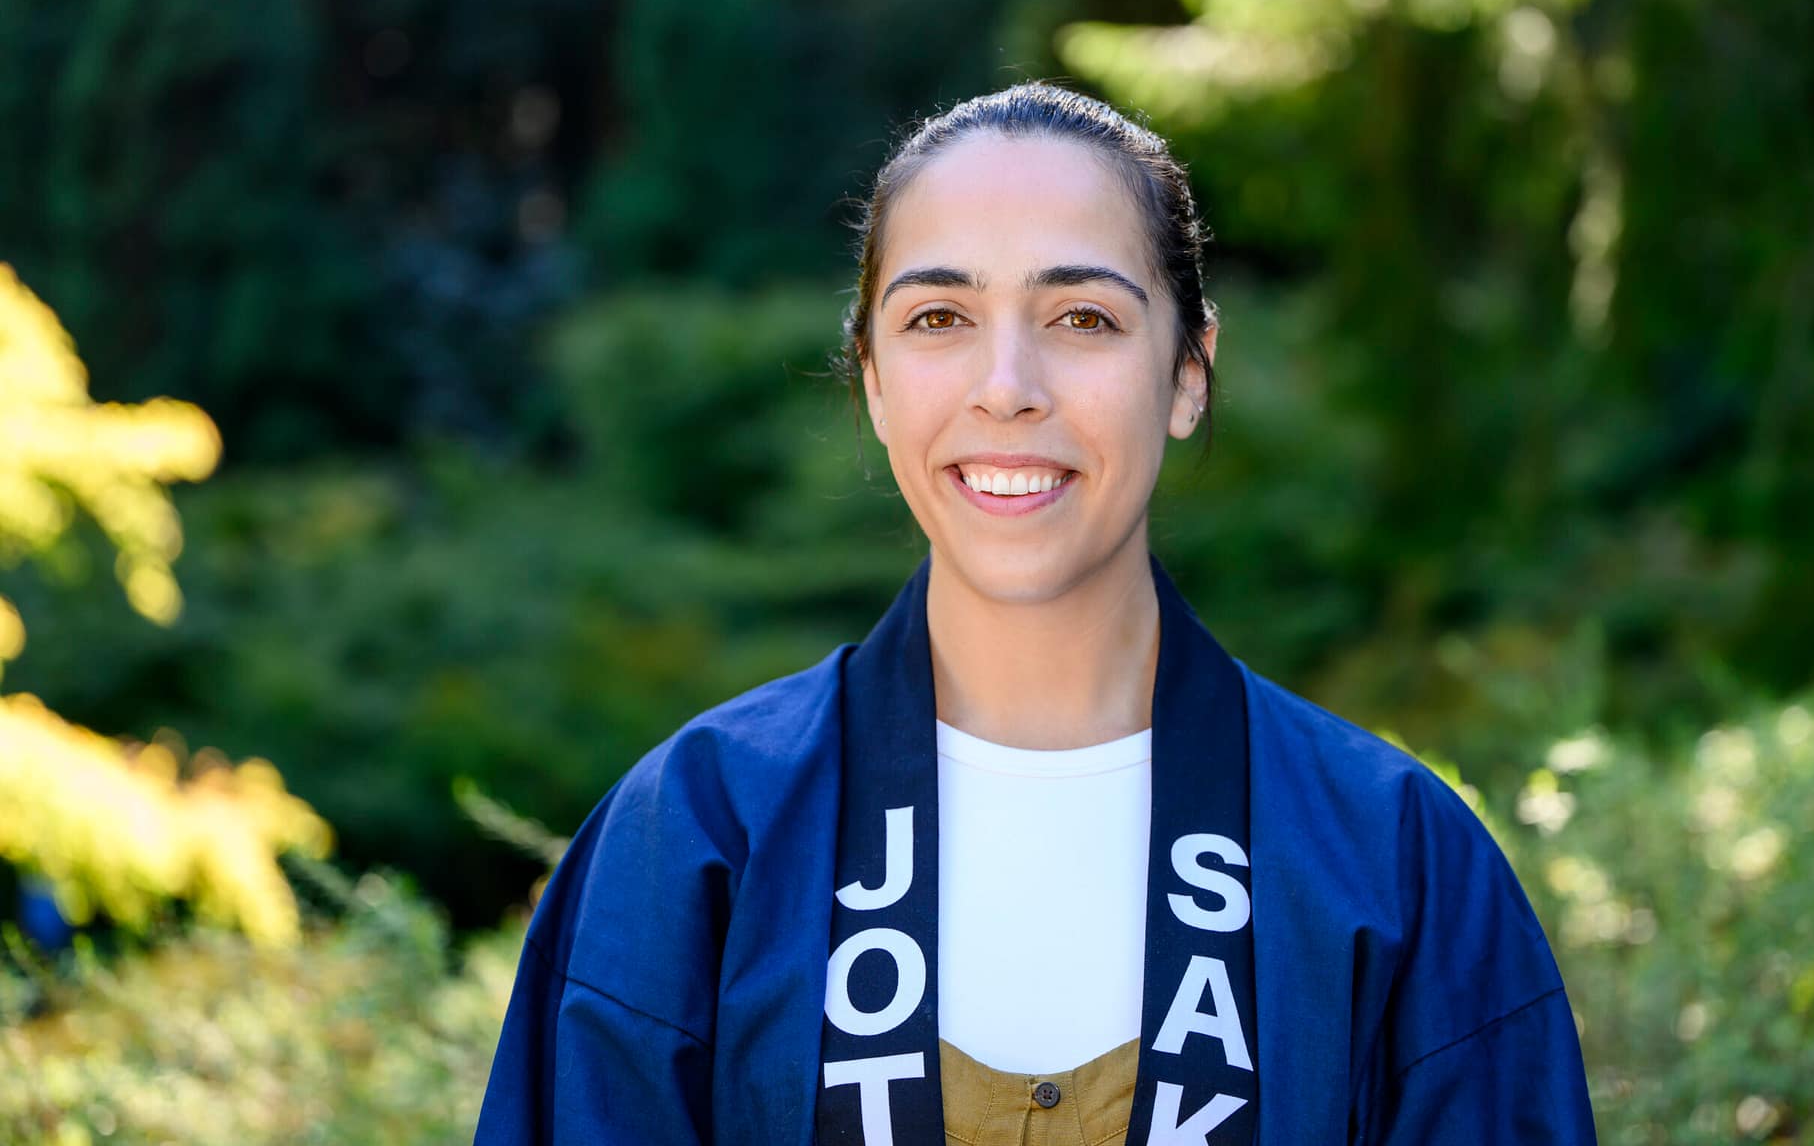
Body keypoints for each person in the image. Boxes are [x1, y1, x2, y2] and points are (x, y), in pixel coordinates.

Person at [474, 82, 1598, 1145]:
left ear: (1190, 372)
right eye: (938, 318)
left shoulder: (1392, 858)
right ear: (872, 378)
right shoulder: (701, 831)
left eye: (1083, 317)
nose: (1006, 384)